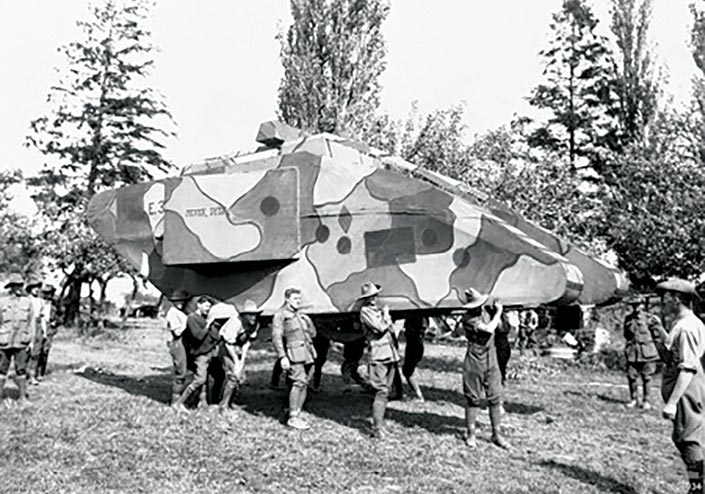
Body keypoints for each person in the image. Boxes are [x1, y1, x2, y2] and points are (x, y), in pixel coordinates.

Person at [653, 279, 705, 494]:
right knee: (686, 438)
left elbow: (687, 368)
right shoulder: (680, 324)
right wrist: (659, 332)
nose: (662, 304)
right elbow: (670, 356)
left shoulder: (687, 329)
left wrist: (672, 403)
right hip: (684, 389)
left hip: (686, 391)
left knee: (688, 440)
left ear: (676, 300)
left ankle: (697, 487)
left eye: (665, 300)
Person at [454, 287, 510, 450]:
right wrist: (498, 312)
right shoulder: (468, 319)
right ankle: (471, 433)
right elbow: (488, 329)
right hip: (474, 359)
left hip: (491, 357)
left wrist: (498, 314)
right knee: (473, 398)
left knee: (495, 396)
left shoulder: (487, 312)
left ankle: (496, 434)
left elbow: (501, 329)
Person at [358, 282, 400, 439]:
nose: (374, 299)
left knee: (386, 391)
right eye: (370, 297)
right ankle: (377, 429)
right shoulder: (365, 311)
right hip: (378, 354)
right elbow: (379, 328)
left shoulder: (376, 310)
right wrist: (387, 316)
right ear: (365, 299)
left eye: (375, 296)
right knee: (381, 391)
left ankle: (380, 425)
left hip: (389, 352)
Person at [272, 287, 317, 430]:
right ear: (287, 299)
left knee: (305, 382)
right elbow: (276, 337)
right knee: (298, 382)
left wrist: (308, 322)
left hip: (307, 352)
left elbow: (313, 334)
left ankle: (297, 411)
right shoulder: (281, 315)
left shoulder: (300, 315)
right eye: (295, 299)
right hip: (293, 353)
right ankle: (292, 417)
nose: (298, 301)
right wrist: (282, 356)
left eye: (299, 299)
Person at [216, 300, 262, 410]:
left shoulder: (255, 324)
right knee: (233, 375)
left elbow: (247, 342)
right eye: (250, 315)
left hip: (239, 347)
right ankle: (223, 405)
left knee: (240, 375)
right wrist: (236, 360)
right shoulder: (235, 323)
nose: (253, 318)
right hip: (227, 348)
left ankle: (231, 401)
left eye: (255, 315)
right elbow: (228, 343)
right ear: (243, 315)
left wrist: (242, 359)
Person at [173, 296, 216, 409]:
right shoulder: (192, 319)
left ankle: (202, 403)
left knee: (205, 378)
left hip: (207, 352)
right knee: (200, 379)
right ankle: (180, 402)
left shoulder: (204, 318)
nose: (208, 308)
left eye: (210, 306)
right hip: (199, 354)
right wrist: (208, 325)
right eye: (206, 306)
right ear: (199, 305)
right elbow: (198, 336)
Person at [0, 273, 36, 404]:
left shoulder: (27, 302)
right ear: (10, 287)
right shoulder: (2, 302)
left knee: (21, 369)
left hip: (22, 341)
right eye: (16, 285)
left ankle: (22, 398)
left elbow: (31, 322)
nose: (18, 288)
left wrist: (31, 340)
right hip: (4, 341)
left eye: (20, 285)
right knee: (1, 369)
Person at [622, 294, 662, 410]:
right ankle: (633, 399)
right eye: (633, 305)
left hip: (648, 352)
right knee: (631, 376)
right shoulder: (628, 319)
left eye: (638, 305)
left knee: (647, 377)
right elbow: (626, 335)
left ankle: (646, 401)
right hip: (633, 352)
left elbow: (657, 336)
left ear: (643, 305)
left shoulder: (650, 319)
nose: (635, 307)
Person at [165, 290, 190, 405]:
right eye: (176, 301)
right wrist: (188, 323)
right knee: (181, 371)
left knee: (185, 370)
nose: (179, 303)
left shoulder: (181, 312)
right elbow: (177, 332)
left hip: (183, 342)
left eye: (181, 301)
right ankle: (175, 401)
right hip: (177, 342)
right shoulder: (172, 313)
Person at [36, 284, 58, 380]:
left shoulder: (56, 305)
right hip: (38, 327)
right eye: (46, 293)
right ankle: (33, 372)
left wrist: (56, 322)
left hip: (49, 329)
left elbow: (62, 316)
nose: (48, 295)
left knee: (45, 351)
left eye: (50, 293)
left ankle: (41, 372)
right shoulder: (37, 302)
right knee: (36, 350)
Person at [402, 315, 427, 401]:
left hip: (414, 345)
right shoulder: (421, 319)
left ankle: (419, 396)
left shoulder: (416, 320)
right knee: (408, 370)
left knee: (407, 371)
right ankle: (416, 394)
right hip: (416, 344)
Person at [25, 278, 45, 386]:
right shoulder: (26, 300)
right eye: (34, 287)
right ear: (30, 289)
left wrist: (44, 331)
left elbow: (43, 317)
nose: (36, 289)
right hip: (28, 325)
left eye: (38, 287)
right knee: (26, 352)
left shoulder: (41, 302)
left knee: (36, 352)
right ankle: (24, 375)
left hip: (38, 325)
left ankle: (32, 375)